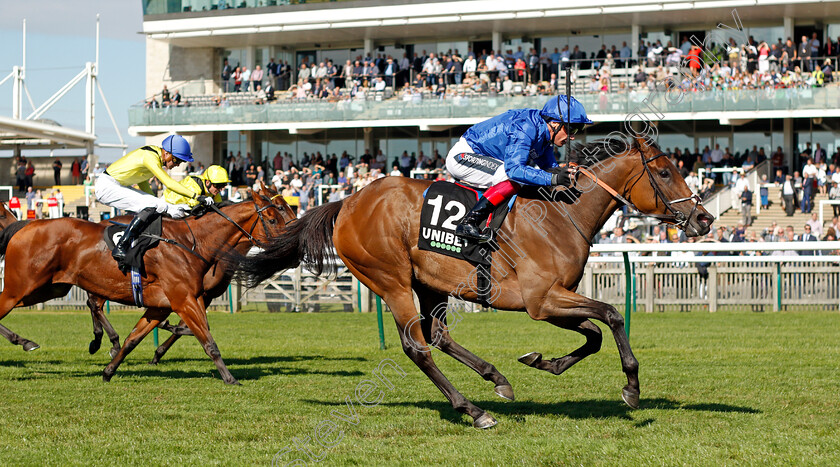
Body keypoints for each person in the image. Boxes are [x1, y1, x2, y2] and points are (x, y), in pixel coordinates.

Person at [446, 95, 589, 242]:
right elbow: (515, 170)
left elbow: (550, 170)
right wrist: (554, 178)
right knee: (513, 178)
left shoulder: (543, 136)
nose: (572, 137)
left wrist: (567, 175)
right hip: (463, 156)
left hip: (484, 158)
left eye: (577, 130)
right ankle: (468, 223)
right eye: (571, 129)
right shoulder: (526, 127)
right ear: (554, 123)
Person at [93, 134, 211, 264]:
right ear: (166, 153)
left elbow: (143, 183)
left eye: (181, 162)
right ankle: (122, 245)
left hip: (114, 185)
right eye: (177, 160)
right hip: (106, 186)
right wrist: (196, 196)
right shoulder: (150, 157)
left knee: (157, 204)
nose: (177, 165)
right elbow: (169, 183)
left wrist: (158, 203)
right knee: (154, 204)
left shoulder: (155, 157)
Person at [164, 165, 230, 210]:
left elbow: (220, 206)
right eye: (218, 186)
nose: (220, 189)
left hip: (184, 206)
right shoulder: (194, 185)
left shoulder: (214, 191)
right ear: (207, 182)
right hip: (169, 202)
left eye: (222, 186)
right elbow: (194, 205)